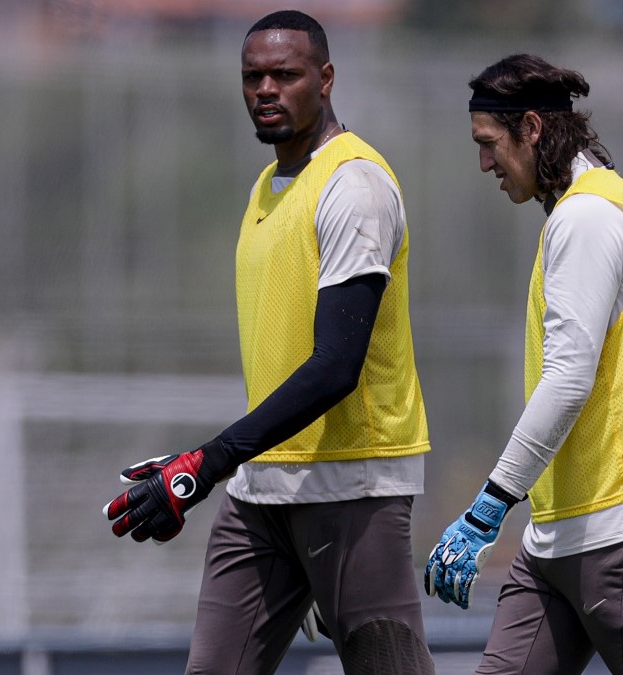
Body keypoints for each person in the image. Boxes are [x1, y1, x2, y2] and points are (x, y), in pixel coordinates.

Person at [104, 10, 436, 675]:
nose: (266, 89)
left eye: (285, 75)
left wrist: (205, 463)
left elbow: (336, 367)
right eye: (252, 76)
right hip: (261, 490)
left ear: (326, 78)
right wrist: (222, 465)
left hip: (351, 486)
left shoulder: (354, 185)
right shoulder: (267, 186)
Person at [424, 54, 623, 675]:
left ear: (532, 128)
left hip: (620, 532)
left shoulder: (587, 217)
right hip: (559, 537)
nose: (484, 164)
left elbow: (567, 379)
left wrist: (487, 508)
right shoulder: (586, 210)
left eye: (488, 143)